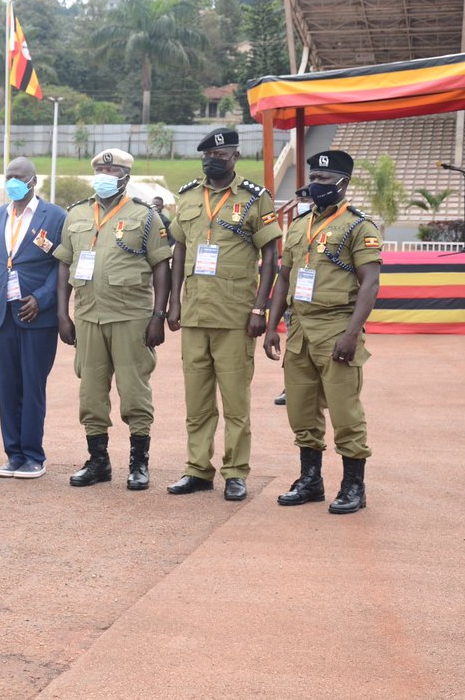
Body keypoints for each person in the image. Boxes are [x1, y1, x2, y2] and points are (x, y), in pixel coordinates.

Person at [164, 127, 282, 502]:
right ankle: (197, 469)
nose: (210, 160)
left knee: (235, 403)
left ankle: (235, 472)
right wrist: (174, 303)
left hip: (235, 316)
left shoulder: (254, 199)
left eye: (218, 156)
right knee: (196, 402)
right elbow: (179, 249)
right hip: (195, 313)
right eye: (206, 156)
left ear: (233, 157)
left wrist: (260, 308)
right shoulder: (188, 196)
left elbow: (270, 257)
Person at [264, 150, 382, 515]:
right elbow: (284, 277)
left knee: (345, 413)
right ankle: (310, 481)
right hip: (299, 329)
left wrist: (351, 334)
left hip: (336, 328)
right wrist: (272, 325)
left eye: (325, 181)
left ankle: (353, 487)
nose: (317, 185)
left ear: (343, 184)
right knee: (301, 411)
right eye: (314, 179)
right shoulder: (298, 224)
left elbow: (370, 284)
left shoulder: (360, 227)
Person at [54, 149, 172, 490]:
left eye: (112, 169)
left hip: (131, 316)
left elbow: (161, 265)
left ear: (125, 176)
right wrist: (63, 313)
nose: (104, 174)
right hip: (88, 315)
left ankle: (139, 462)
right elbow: (64, 263)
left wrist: (158, 317)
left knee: (134, 391)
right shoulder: (76, 213)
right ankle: (98, 461)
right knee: (90, 391)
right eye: (100, 169)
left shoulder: (146, 216)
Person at [0, 157, 66, 479]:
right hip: (1, 314)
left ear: (34, 181)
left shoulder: (56, 216)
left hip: (36, 314)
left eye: (19, 176)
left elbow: (62, 265)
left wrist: (43, 299)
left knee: (32, 386)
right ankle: (13, 453)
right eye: (8, 177)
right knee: (6, 387)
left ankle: (34, 455)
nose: (12, 182)